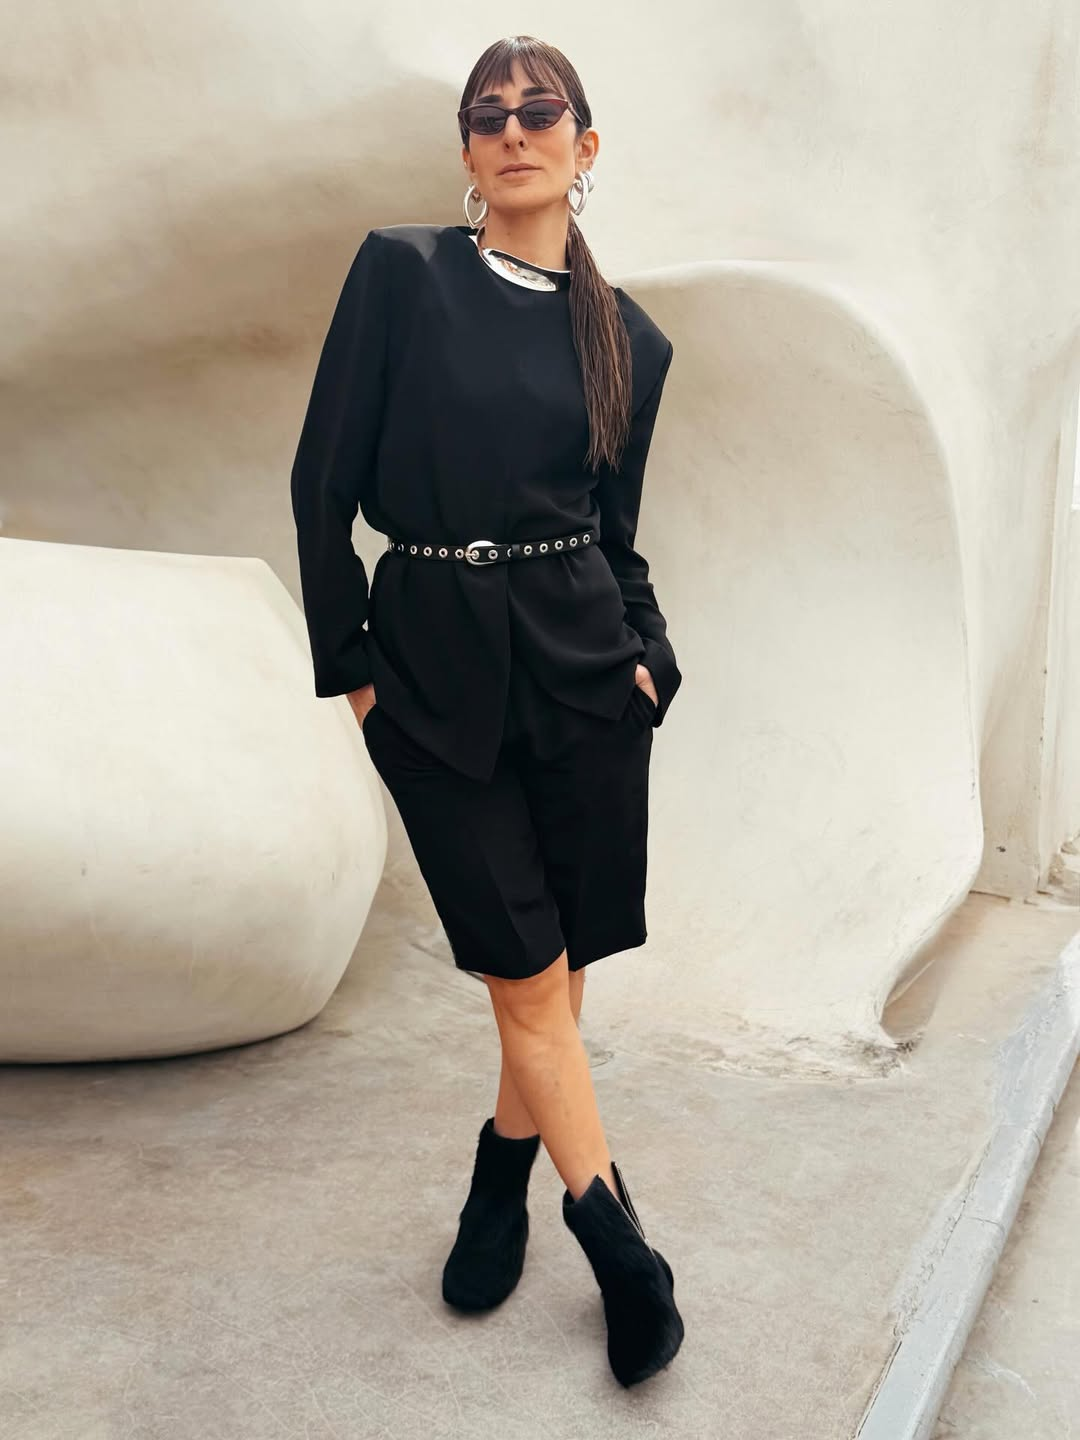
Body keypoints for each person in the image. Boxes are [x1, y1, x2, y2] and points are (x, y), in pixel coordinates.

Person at [290, 35, 685, 1387]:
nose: (513, 130)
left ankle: (501, 1174)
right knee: (523, 969)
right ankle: (624, 1254)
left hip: (586, 671)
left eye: (540, 111)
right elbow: (321, 481)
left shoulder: (630, 340)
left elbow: (616, 535)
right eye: (487, 114)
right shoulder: (402, 275)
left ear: (585, 145)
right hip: (429, 671)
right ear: (467, 149)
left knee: (555, 977)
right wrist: (351, 666)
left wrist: (650, 657)